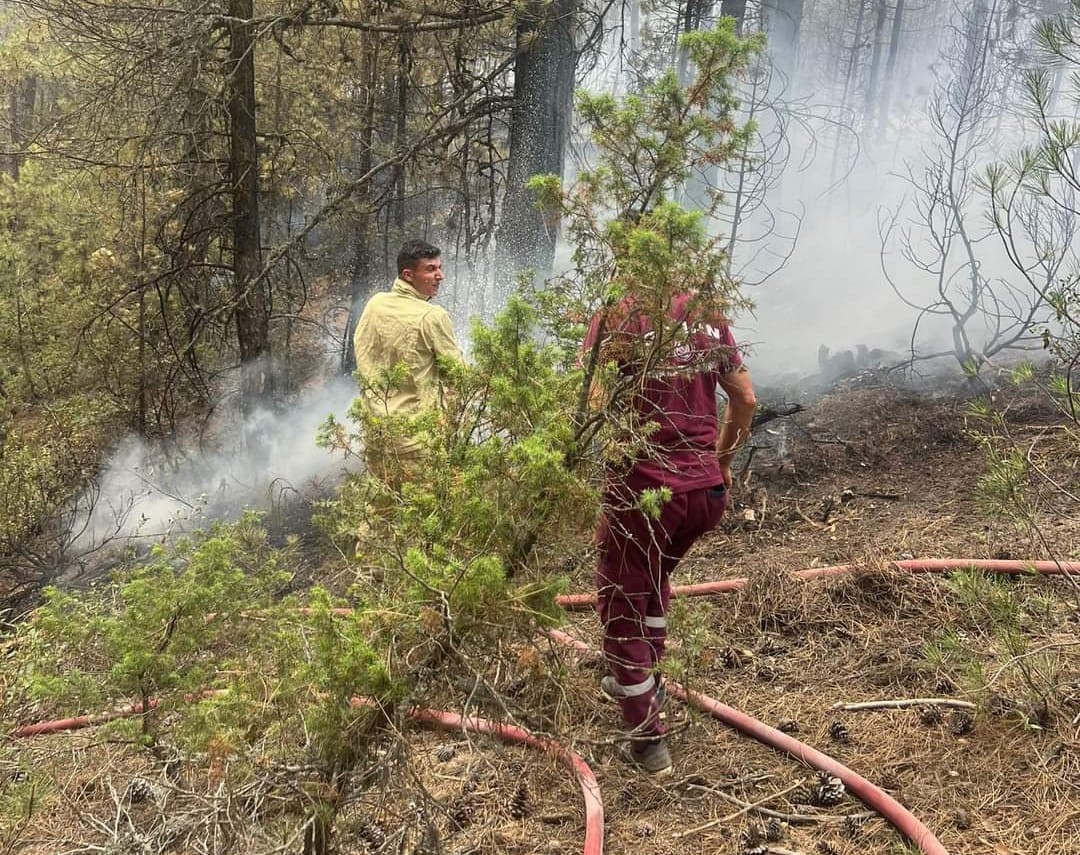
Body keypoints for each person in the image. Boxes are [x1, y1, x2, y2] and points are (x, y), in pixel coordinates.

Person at [584, 290, 756, 776]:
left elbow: (597, 410)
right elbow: (745, 398)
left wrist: (607, 491)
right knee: (652, 576)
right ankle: (644, 680)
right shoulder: (706, 314)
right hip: (703, 496)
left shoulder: (616, 312)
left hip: (645, 492)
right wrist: (719, 464)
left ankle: (647, 740)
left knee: (620, 601)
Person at [353, 239, 462, 483]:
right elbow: (459, 378)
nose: (440, 276)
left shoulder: (375, 305)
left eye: (439, 267)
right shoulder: (433, 316)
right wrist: (452, 426)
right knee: (427, 513)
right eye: (431, 269)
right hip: (417, 440)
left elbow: (362, 352)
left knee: (380, 513)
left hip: (377, 434)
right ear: (408, 275)